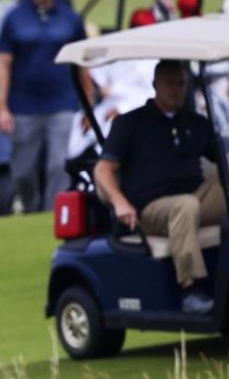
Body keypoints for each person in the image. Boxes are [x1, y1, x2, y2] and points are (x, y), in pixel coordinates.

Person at [94, 60, 220, 315]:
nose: (176, 89)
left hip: (193, 197)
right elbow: (102, 170)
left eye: (181, 83)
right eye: (169, 83)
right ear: (154, 85)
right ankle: (190, 288)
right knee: (185, 206)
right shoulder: (130, 124)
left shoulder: (195, 123)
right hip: (149, 209)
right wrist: (119, 202)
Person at [0, 0, 94, 212]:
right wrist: (2, 106)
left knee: (57, 165)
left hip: (61, 101)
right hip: (24, 104)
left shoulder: (71, 19)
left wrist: (88, 106)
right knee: (23, 169)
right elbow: (4, 63)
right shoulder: (15, 18)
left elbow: (82, 64)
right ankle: (30, 207)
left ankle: (52, 215)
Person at [67, 8, 157, 158]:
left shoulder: (155, 61)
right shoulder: (119, 51)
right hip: (106, 107)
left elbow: (151, 96)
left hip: (136, 111)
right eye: (136, 29)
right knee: (75, 133)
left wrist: (122, 108)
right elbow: (92, 72)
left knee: (110, 134)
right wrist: (90, 107)